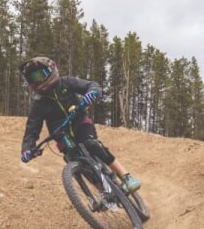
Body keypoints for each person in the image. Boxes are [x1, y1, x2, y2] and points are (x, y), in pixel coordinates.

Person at [18, 57, 143, 193]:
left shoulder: (66, 83)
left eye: (40, 74)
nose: (38, 80)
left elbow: (90, 85)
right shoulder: (38, 104)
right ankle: (104, 193)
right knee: (77, 163)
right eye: (33, 78)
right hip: (61, 136)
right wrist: (27, 149)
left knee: (92, 144)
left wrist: (92, 92)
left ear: (50, 70)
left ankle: (126, 176)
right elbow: (31, 129)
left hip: (80, 122)